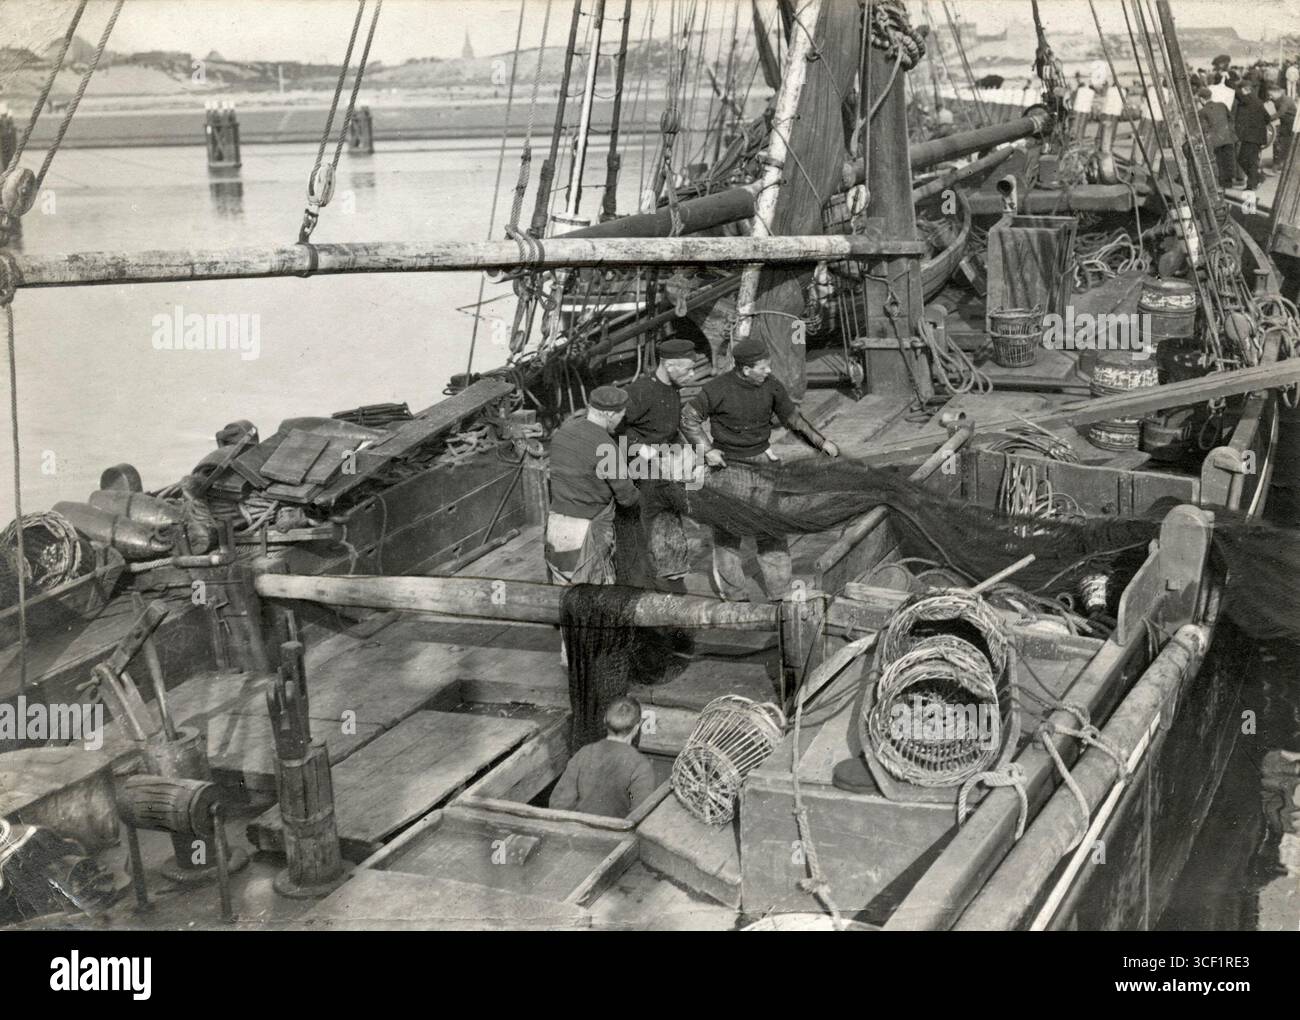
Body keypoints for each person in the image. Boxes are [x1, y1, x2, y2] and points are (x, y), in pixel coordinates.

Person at [680, 336, 840, 603]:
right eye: (763, 367)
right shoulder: (716, 389)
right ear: (745, 369)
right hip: (727, 468)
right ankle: (735, 595)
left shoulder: (771, 385)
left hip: (762, 463)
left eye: (769, 365)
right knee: (728, 534)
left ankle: (780, 592)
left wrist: (821, 443)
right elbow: (688, 418)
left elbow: (793, 420)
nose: (768, 371)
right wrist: (706, 450)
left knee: (771, 529)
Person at [615, 336, 697, 593]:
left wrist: (687, 450)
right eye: (688, 369)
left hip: (665, 470)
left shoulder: (672, 388)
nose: (692, 375)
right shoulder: (639, 392)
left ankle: (674, 581)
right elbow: (614, 428)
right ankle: (652, 587)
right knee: (647, 532)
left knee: (669, 527)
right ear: (669, 365)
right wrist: (643, 448)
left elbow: (669, 427)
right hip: (641, 474)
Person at [544, 385, 639, 586]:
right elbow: (628, 498)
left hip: (555, 528)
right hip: (586, 534)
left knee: (561, 590)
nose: (622, 420)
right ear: (608, 414)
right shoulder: (607, 447)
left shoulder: (563, 432)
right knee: (594, 598)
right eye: (621, 414)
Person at [549, 696, 655, 818]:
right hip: (616, 834)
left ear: (604, 720)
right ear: (637, 727)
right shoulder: (641, 766)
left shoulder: (584, 753)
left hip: (577, 830)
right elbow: (640, 814)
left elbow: (559, 803)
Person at [1196, 87, 1237, 188]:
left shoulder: (1202, 112)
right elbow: (1231, 119)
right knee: (1228, 159)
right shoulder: (1222, 105)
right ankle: (1229, 183)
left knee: (1219, 162)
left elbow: (1203, 128)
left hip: (1214, 141)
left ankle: (1221, 185)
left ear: (1201, 99)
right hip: (1227, 137)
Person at [1234, 81, 1271, 191]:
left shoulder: (1248, 98)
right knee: (1248, 160)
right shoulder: (1258, 101)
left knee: (1245, 160)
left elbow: (1237, 93)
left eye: (1242, 91)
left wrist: (1227, 80)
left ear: (1245, 90)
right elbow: (1267, 118)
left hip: (1251, 137)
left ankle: (1253, 184)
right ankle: (1256, 179)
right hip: (1255, 137)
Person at [1270, 85, 1296, 168]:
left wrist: (1266, 119)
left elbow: (1280, 113)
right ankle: (1280, 163)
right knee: (1280, 142)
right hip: (1284, 123)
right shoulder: (1277, 99)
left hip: (1290, 124)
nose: (1270, 97)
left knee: (1283, 143)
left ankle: (1281, 164)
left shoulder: (1286, 100)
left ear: (1277, 93)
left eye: (1271, 95)